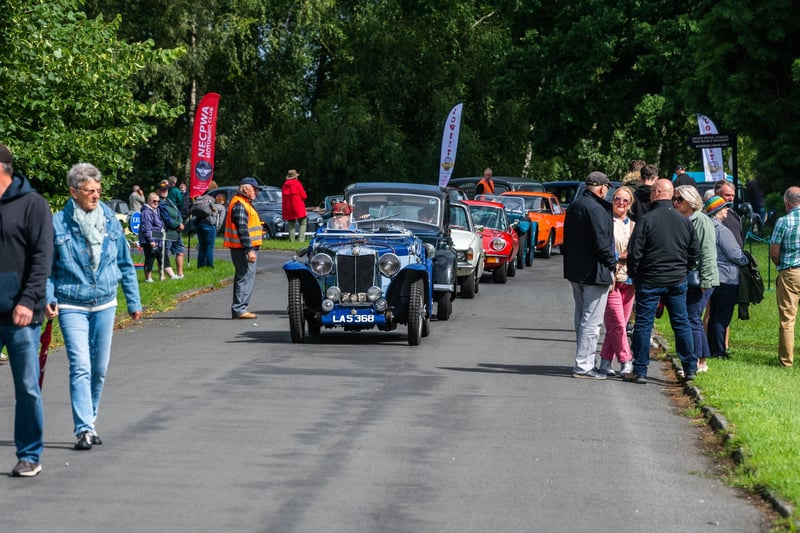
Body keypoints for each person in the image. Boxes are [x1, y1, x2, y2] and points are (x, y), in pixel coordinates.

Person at [45, 163, 143, 451]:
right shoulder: (57, 224)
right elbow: (47, 268)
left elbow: (125, 263)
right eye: (90, 191)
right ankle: (84, 429)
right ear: (73, 192)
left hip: (105, 302)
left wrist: (134, 302)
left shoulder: (110, 221)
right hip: (71, 302)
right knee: (81, 366)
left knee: (99, 368)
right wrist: (48, 298)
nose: (96, 195)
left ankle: (91, 419)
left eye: (99, 190)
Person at [0, 143, 54, 477]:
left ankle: (29, 454)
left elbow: (42, 258)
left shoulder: (32, 204)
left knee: (27, 387)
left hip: (21, 315)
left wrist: (27, 300)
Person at [625, 178, 699, 384]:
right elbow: (694, 252)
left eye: (651, 192)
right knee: (681, 323)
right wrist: (684, 269)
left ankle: (640, 370)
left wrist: (635, 275)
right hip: (677, 279)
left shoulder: (647, 220)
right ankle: (690, 367)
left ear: (657, 193)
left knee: (643, 324)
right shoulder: (684, 221)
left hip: (649, 279)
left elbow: (634, 252)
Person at [562, 171, 616, 379]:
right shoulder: (596, 208)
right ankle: (584, 364)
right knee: (592, 321)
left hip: (576, 270)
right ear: (602, 187)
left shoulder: (576, 205)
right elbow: (602, 243)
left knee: (582, 318)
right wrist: (612, 265)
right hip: (595, 271)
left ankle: (582, 360)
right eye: (607, 188)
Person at [674, 185, 719, 374]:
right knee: (691, 318)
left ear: (690, 201)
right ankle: (698, 358)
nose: (675, 203)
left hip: (700, 279)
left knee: (692, 318)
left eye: (679, 200)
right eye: (674, 199)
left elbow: (708, 252)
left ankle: (699, 361)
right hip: (689, 277)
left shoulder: (701, 220)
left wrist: (706, 281)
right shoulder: (685, 219)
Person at [597, 186, 635, 376]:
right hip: (611, 280)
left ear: (630, 204)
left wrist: (630, 256)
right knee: (618, 324)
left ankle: (604, 361)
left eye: (625, 200)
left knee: (617, 324)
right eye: (617, 199)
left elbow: (638, 252)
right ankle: (626, 360)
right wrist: (621, 255)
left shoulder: (634, 225)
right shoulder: (605, 223)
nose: (621, 203)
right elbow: (603, 249)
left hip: (629, 281)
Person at [704, 195, 748, 360]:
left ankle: (711, 348)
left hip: (713, 275)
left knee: (714, 313)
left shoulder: (707, 227)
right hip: (727, 277)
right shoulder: (722, 230)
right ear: (716, 211)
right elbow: (735, 254)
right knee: (722, 316)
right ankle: (719, 351)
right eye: (724, 207)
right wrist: (745, 259)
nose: (727, 210)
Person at [224, 177, 264, 319]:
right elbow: (242, 230)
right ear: (246, 189)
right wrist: (249, 250)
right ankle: (240, 309)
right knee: (244, 277)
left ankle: (240, 308)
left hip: (241, 247)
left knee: (245, 276)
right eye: (255, 189)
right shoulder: (240, 205)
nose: (256, 192)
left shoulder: (243, 203)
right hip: (243, 248)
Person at [769, 187, 800, 367]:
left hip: (791, 272)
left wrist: (781, 267)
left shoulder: (784, 221)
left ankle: (786, 361)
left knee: (788, 319)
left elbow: (774, 252)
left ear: (787, 202)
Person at [139, 192, 177, 281]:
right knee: (150, 258)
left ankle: (172, 276)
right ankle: (148, 279)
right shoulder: (146, 212)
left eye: (158, 201)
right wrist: (151, 240)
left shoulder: (156, 210)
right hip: (150, 239)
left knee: (163, 257)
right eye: (154, 201)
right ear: (149, 201)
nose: (156, 203)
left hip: (158, 237)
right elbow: (146, 228)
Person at [157, 179, 185, 278]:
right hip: (168, 231)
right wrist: (178, 225)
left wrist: (181, 222)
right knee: (165, 254)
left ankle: (180, 274)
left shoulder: (169, 201)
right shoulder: (158, 203)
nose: (164, 192)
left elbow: (178, 212)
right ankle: (162, 275)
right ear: (158, 191)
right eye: (162, 190)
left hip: (176, 232)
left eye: (166, 190)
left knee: (180, 251)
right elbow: (166, 218)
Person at [194, 189, 222, 268]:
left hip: (198, 224)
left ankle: (200, 265)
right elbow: (215, 211)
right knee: (209, 246)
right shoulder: (210, 200)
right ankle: (210, 266)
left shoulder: (199, 199)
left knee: (202, 246)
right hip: (208, 224)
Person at [714, 180, 743, 247]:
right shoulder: (710, 215)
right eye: (727, 195)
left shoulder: (734, 214)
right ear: (716, 194)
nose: (731, 199)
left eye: (733, 196)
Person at [282, 169, 308, 242]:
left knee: (291, 224)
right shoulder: (297, 184)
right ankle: (301, 240)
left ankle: (291, 240)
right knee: (303, 223)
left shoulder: (284, 185)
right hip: (298, 207)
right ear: (295, 177)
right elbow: (304, 196)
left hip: (288, 208)